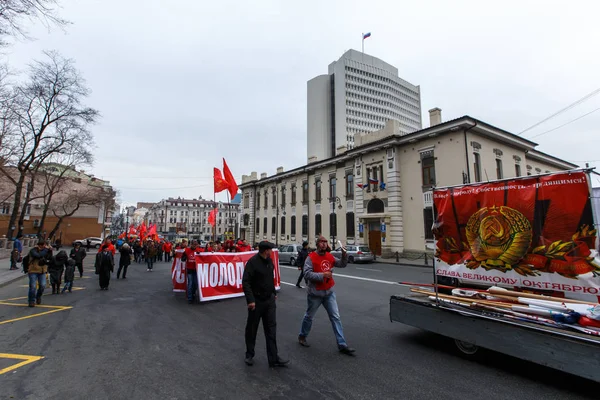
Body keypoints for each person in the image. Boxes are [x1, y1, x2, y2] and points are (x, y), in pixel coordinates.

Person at [297, 236, 355, 355]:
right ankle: (302, 336)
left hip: (328, 293)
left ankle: (342, 344)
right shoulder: (311, 257)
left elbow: (341, 264)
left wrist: (344, 255)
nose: (324, 244)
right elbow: (306, 274)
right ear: (318, 244)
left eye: (325, 242)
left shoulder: (329, 256)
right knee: (309, 316)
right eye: (322, 242)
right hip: (315, 294)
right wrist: (323, 275)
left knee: (336, 317)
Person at [242, 241, 289, 368]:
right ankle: (249, 355)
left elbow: (269, 278)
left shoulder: (269, 261)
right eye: (270, 250)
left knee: (271, 329)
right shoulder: (252, 263)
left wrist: (273, 292)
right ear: (265, 250)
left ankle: (273, 358)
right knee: (252, 329)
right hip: (256, 301)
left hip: (269, 301)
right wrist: (250, 300)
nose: (272, 252)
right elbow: (246, 282)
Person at [27, 240, 51, 307]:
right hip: (33, 271)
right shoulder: (33, 250)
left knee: (43, 286)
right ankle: (31, 301)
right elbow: (38, 255)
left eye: (44, 245)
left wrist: (50, 251)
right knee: (33, 287)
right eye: (41, 245)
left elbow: (49, 258)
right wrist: (46, 250)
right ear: (38, 245)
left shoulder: (46, 251)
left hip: (42, 271)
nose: (42, 247)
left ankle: (38, 296)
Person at [181, 239, 199, 304]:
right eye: (194, 244)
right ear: (191, 244)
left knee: (195, 283)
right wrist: (184, 257)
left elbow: (205, 256)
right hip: (189, 270)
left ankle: (193, 293)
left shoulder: (198, 250)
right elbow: (182, 259)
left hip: (196, 270)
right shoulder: (187, 250)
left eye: (196, 244)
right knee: (190, 284)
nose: (195, 246)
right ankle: (190, 297)